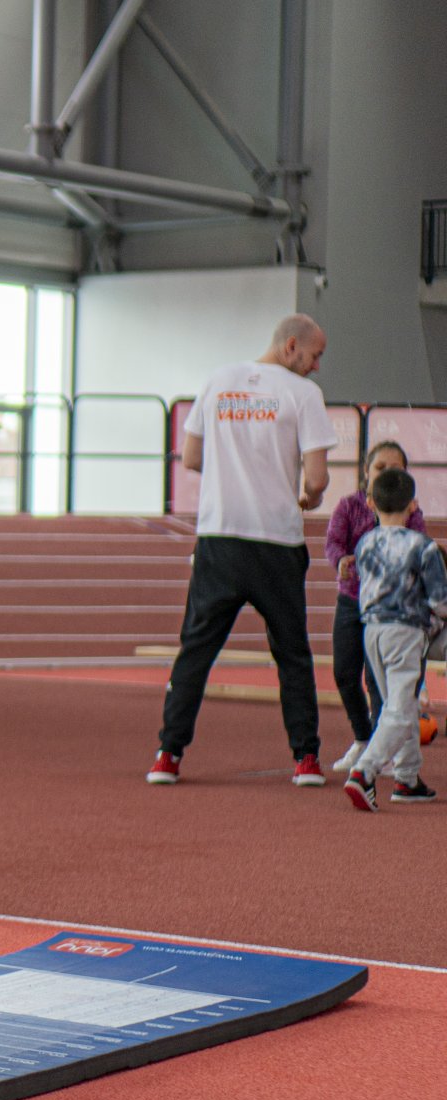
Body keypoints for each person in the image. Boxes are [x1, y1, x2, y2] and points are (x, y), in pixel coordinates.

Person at [148, 314, 336, 787]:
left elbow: (191, 458)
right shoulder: (303, 396)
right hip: (276, 541)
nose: (316, 367)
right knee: (292, 655)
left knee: (195, 651)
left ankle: (168, 755)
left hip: (220, 538)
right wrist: (310, 497)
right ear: (292, 346)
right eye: (315, 356)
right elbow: (315, 480)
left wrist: (231, 471)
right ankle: (306, 760)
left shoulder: (217, 381)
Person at [341, 467, 447, 810]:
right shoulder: (423, 547)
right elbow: (440, 602)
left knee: (397, 706)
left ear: (372, 504)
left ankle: (408, 777)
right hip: (406, 631)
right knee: (401, 711)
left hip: (371, 630)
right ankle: (364, 772)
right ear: (413, 504)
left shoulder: (364, 543)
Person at [325, 441, 427, 775]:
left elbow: (419, 555)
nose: (388, 473)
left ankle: (387, 750)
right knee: (344, 672)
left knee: (380, 680)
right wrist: (341, 561)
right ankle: (363, 738)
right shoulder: (348, 506)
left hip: (391, 611)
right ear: (365, 473)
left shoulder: (412, 513)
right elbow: (333, 543)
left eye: (396, 468)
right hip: (352, 601)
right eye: (380, 467)